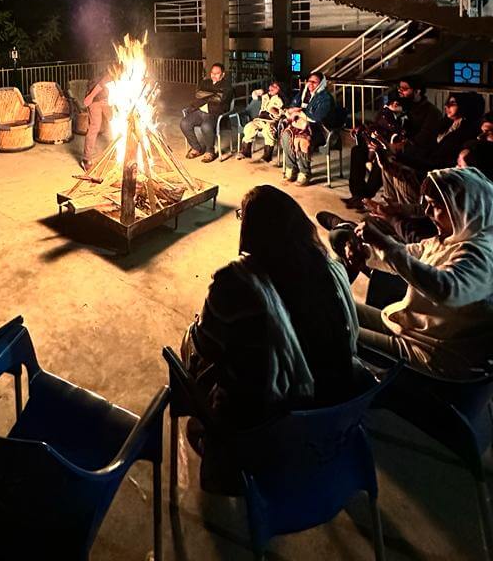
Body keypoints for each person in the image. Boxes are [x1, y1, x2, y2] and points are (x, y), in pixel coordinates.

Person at [180, 186, 357, 464]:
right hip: (334, 410)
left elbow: (206, 346)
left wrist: (198, 327)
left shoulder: (236, 281)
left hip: (272, 421)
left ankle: (218, 442)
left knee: (191, 343)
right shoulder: (329, 268)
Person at [352, 167, 493, 378]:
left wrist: (384, 245)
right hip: (412, 330)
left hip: (434, 352)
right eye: (425, 203)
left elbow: (446, 290)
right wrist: (365, 253)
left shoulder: (482, 254)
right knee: (338, 305)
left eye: (435, 206)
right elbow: (411, 254)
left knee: (337, 328)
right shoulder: (449, 238)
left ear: (463, 208)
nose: (427, 212)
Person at [343, 89, 407, 211]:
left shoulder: (405, 115)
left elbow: (401, 133)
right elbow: (375, 126)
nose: (394, 104)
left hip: (391, 148)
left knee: (381, 158)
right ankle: (357, 194)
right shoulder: (385, 112)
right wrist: (364, 129)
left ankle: (365, 196)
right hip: (378, 142)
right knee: (357, 151)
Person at [279, 71, 334, 185]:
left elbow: (318, 117)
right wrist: (291, 110)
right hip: (300, 125)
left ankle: (305, 172)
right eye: (309, 81)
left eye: (314, 82)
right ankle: (291, 168)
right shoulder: (303, 93)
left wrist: (300, 112)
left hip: (318, 129)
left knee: (301, 140)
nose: (310, 84)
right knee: (285, 135)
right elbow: (293, 106)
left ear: (321, 84)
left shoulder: (326, 98)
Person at [179, 63, 234, 163]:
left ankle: (210, 152)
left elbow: (220, 99)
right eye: (212, 73)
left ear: (223, 74)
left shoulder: (227, 86)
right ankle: (196, 148)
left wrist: (207, 95)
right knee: (184, 123)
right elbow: (198, 95)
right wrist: (214, 95)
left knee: (206, 126)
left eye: (217, 73)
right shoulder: (206, 82)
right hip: (200, 111)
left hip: (215, 114)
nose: (214, 75)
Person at [237, 79, 286, 162]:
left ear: (280, 90)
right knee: (249, 127)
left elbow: (283, 112)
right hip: (259, 120)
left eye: (276, 87)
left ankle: (267, 156)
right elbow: (254, 96)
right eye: (272, 86)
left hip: (271, 121)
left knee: (268, 132)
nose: (272, 88)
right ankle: (245, 152)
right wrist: (258, 92)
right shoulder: (265, 96)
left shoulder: (280, 99)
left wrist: (275, 111)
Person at [81, 72, 113, 170]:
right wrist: (90, 97)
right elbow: (101, 84)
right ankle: (86, 159)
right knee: (95, 127)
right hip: (95, 99)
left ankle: (115, 149)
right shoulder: (113, 71)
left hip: (105, 99)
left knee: (113, 119)